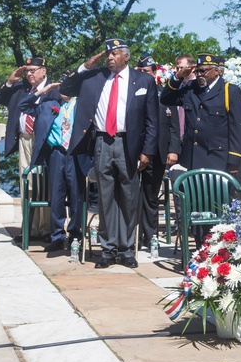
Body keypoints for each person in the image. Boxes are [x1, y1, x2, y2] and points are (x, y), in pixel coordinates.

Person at [60, 39, 159, 269]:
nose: (110, 58)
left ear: (126, 56)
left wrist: (147, 152)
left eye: (114, 54)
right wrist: (87, 65)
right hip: (102, 141)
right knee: (105, 198)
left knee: (128, 196)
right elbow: (65, 88)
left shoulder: (143, 80)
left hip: (129, 143)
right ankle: (108, 248)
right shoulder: (95, 77)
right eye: (107, 55)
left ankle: (126, 249)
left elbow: (153, 121)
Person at [21, 80, 92, 252]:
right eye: (61, 87)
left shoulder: (82, 104)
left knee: (77, 196)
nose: (64, 90)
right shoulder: (49, 105)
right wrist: (42, 91)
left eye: (68, 86)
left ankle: (76, 234)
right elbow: (23, 105)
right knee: (57, 196)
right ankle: (57, 236)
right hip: (56, 154)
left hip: (76, 153)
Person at [0, 56, 50, 237]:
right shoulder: (21, 89)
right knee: (27, 184)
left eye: (33, 70)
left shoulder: (53, 90)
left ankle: (46, 229)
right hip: (24, 139)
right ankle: (29, 229)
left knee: (45, 185)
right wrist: (11, 80)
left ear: (43, 71)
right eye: (28, 71)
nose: (30, 74)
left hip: (45, 142)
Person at [160, 53, 241, 175]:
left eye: (203, 71)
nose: (199, 75)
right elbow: (165, 99)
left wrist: (234, 160)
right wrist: (177, 78)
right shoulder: (191, 88)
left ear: (216, 71)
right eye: (197, 72)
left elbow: (237, 128)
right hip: (192, 158)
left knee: (216, 194)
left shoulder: (229, 91)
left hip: (217, 159)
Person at [136, 54, 181, 249]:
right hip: (136, 153)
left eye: (146, 72)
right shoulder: (133, 92)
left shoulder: (165, 94)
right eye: (140, 71)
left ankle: (150, 236)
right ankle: (134, 236)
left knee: (151, 196)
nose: (143, 75)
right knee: (133, 196)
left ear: (154, 73)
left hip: (158, 152)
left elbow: (173, 125)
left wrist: (173, 150)